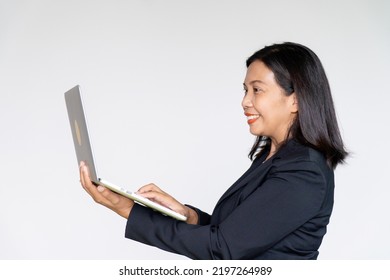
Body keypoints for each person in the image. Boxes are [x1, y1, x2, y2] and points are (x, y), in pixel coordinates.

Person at [79, 42, 348, 260]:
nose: (245, 101)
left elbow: (223, 249)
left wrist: (129, 209)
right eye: (245, 90)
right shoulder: (273, 157)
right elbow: (239, 234)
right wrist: (189, 216)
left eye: (257, 90)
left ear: (296, 100)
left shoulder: (304, 171)